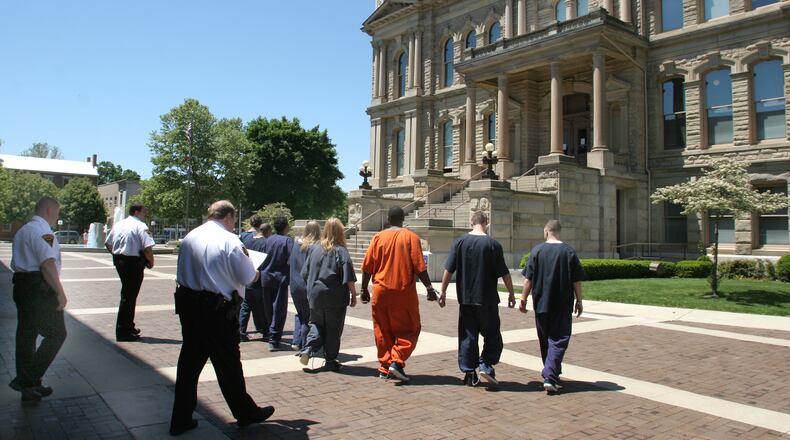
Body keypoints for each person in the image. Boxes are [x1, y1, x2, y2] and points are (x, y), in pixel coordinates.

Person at [170, 200, 274, 436]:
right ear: (228, 217)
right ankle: (245, 412)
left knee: (189, 365)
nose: (234, 223)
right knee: (228, 364)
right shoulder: (229, 240)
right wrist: (256, 273)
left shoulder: (190, 237)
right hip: (218, 310)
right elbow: (248, 276)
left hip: (189, 306)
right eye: (234, 219)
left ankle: (181, 417)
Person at [360, 206, 437, 382]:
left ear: (388, 218)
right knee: (410, 329)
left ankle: (384, 367)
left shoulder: (378, 237)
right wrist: (429, 288)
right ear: (403, 219)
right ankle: (397, 361)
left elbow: (367, 267)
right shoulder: (411, 237)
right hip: (402, 292)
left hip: (380, 291)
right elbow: (420, 267)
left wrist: (364, 289)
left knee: (382, 330)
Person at [439, 211, 515, 387]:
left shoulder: (459, 243)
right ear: (486, 222)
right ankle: (486, 364)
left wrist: (442, 292)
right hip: (487, 300)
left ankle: (469, 372)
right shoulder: (493, 244)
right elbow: (504, 272)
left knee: (468, 337)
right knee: (493, 336)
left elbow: (448, 270)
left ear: (471, 223)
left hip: (466, 300)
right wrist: (511, 293)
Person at [9, 197, 68, 402]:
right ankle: (27, 380)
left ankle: (31, 387)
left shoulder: (24, 230)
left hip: (22, 285)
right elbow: (47, 263)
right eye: (58, 212)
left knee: (26, 335)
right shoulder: (44, 232)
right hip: (39, 288)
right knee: (57, 334)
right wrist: (60, 292)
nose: (58, 216)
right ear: (50, 209)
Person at [519, 220, 585, 394]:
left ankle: (551, 371)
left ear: (547, 231)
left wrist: (523, 299)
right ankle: (550, 374)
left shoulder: (537, 251)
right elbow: (576, 281)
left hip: (541, 304)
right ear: (559, 232)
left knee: (545, 339)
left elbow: (528, 280)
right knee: (559, 339)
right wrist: (579, 300)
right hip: (562, 304)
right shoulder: (569, 252)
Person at [298, 218, 357, 371]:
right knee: (333, 329)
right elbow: (348, 275)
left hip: (314, 296)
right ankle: (330, 360)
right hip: (334, 297)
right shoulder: (341, 250)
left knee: (316, 324)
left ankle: (308, 349)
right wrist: (354, 295)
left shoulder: (315, 249)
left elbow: (304, 273)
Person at [104, 203, 155, 342]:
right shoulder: (141, 226)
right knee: (128, 297)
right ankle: (123, 331)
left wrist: (116, 255)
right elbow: (147, 248)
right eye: (144, 211)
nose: (145, 214)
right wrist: (151, 261)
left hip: (120, 261)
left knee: (128, 295)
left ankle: (128, 326)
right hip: (133, 263)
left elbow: (108, 243)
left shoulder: (119, 224)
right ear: (137, 212)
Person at [260, 216, 294, 351]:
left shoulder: (267, 240)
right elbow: (292, 258)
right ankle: (274, 338)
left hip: (266, 277)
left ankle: (270, 332)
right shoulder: (287, 241)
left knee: (268, 307)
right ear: (286, 227)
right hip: (280, 278)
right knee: (279, 308)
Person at [289, 220, 321, 351]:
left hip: (295, 286)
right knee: (309, 317)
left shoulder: (296, 245)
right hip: (308, 286)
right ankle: (305, 345)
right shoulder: (315, 247)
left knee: (300, 314)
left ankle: (296, 341)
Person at [239, 223, 267, 342]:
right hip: (258, 278)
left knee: (245, 306)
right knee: (260, 306)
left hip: (247, 277)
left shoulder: (247, 241)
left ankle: (241, 331)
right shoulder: (265, 243)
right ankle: (264, 330)